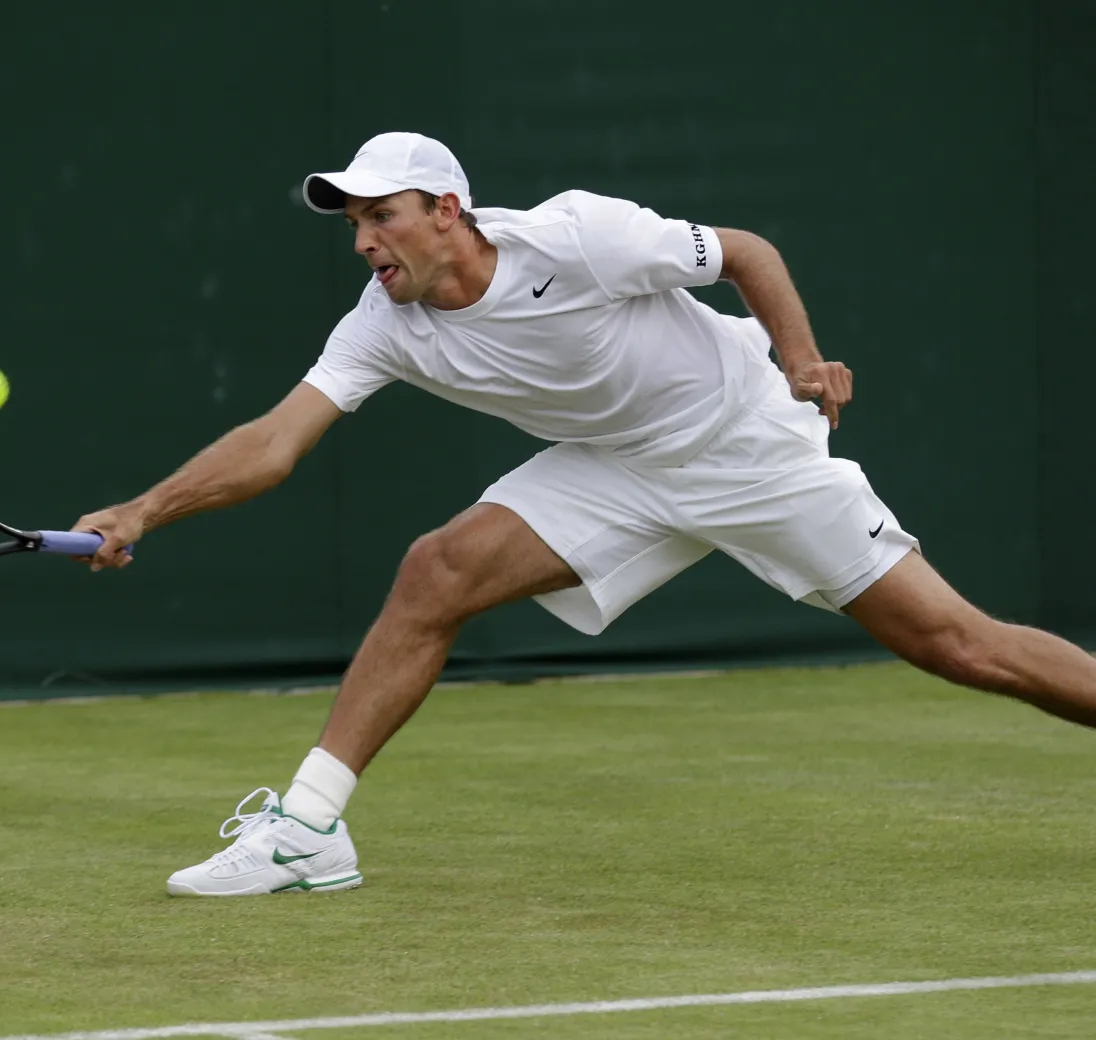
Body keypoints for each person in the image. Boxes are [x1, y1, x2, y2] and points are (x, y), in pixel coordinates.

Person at [71, 132, 1096, 897]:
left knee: (956, 644)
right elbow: (274, 441)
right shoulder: (381, 324)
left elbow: (747, 252)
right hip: (620, 465)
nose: (364, 242)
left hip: (743, 438)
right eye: (352, 223)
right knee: (437, 569)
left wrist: (795, 357)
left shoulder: (579, 236)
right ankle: (308, 828)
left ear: (447, 209)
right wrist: (147, 509)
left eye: (381, 215)